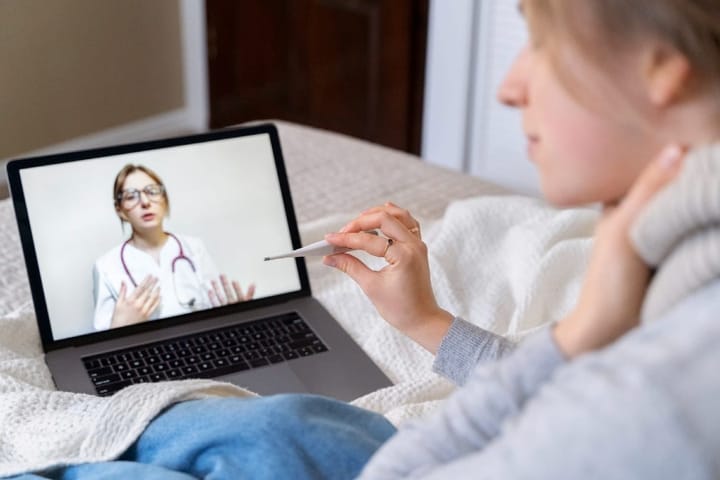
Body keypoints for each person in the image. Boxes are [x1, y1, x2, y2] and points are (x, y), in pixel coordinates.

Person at [11, 0, 720, 478]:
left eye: (541, 40)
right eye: (129, 197)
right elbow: (562, 392)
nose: (509, 86)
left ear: (661, 66)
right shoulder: (674, 255)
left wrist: (585, 328)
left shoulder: (669, 384)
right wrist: (425, 320)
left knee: (271, 428)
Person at [93, 164, 256, 330]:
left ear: (164, 199)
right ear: (120, 210)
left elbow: (217, 310)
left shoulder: (194, 247)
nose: (145, 202)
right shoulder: (105, 266)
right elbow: (102, 340)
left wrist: (237, 315)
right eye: (131, 196)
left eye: (152, 191)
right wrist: (120, 327)